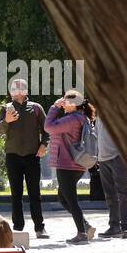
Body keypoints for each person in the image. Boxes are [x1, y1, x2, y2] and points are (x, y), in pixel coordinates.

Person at [0, 77, 49, 239]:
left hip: (32, 156)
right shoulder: (6, 109)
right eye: (12, 88)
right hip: (13, 156)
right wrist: (6, 121)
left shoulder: (36, 108)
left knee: (35, 194)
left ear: (25, 91)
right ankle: (18, 228)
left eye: (17, 88)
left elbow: (47, 129)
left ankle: (40, 228)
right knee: (16, 194)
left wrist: (43, 145)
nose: (13, 91)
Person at [44, 89, 96, 244]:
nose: (62, 103)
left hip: (67, 164)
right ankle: (85, 226)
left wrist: (53, 108)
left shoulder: (72, 119)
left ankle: (81, 234)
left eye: (65, 100)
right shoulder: (81, 118)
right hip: (76, 164)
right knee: (63, 197)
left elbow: (49, 127)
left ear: (73, 104)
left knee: (71, 200)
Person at [93, 104, 127, 240]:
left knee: (122, 193)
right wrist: (97, 155)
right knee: (109, 195)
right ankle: (114, 226)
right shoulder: (98, 115)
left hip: (117, 157)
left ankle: (126, 226)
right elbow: (97, 136)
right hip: (103, 159)